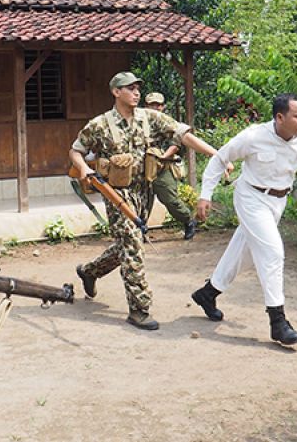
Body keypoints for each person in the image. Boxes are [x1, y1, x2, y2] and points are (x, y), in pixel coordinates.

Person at [69, 72, 228, 330]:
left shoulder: (150, 118)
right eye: (129, 88)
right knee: (132, 244)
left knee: (129, 244)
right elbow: (76, 150)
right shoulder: (100, 124)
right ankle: (139, 309)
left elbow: (182, 135)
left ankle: (89, 271)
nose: (136, 92)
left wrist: (217, 155)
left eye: (137, 88)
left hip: (144, 190)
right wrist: (84, 169)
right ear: (115, 92)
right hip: (117, 193)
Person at [191, 93, 297, 346]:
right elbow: (220, 158)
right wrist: (205, 196)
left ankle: (208, 293)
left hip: (278, 201)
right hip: (251, 198)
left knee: (245, 251)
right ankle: (278, 322)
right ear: (280, 117)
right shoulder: (253, 137)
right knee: (272, 253)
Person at [144, 92, 197, 240]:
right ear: (146, 106)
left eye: (158, 105)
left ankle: (188, 221)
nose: (156, 107)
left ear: (163, 106)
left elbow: (176, 144)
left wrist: (161, 157)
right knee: (142, 202)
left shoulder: (168, 123)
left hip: (162, 168)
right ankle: (139, 229)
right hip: (142, 168)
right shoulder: (139, 121)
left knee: (170, 199)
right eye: (152, 104)